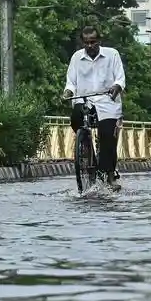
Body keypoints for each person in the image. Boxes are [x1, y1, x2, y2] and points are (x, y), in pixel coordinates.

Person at [62, 25, 126, 188]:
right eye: (86, 43)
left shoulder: (112, 55)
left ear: (99, 41)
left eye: (93, 42)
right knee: (75, 119)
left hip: (107, 102)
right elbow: (71, 82)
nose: (90, 46)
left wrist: (116, 87)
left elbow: (120, 78)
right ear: (82, 43)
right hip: (84, 100)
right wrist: (67, 93)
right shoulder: (77, 57)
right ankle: (85, 150)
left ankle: (109, 174)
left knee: (107, 136)